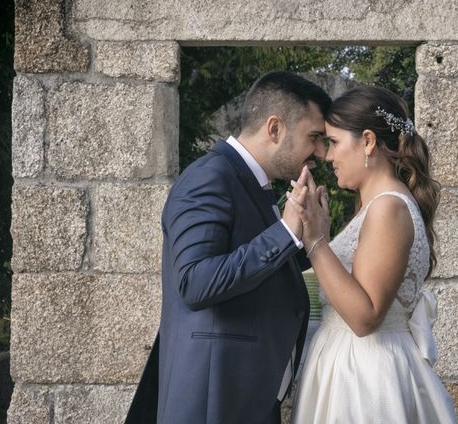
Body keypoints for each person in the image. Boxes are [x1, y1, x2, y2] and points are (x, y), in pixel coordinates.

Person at [125, 71, 333, 424]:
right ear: (274, 128)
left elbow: (257, 268)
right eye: (314, 137)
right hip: (212, 399)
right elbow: (196, 282)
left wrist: (309, 236)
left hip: (244, 393)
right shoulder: (210, 177)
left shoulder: (251, 181)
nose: (322, 153)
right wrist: (285, 231)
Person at [287, 85, 458, 423]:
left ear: (367, 141)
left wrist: (316, 241)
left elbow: (365, 317)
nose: (326, 155)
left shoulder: (389, 209)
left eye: (334, 142)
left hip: (366, 377)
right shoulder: (375, 206)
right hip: (349, 365)